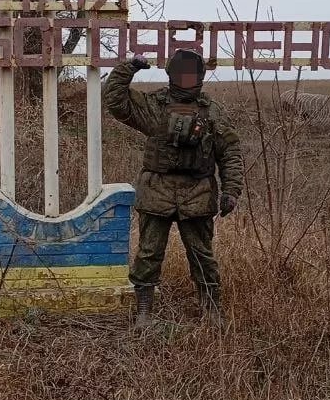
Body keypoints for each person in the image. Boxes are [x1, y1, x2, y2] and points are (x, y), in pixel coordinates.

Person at [102, 48, 244, 329]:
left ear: (201, 76)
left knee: (202, 255)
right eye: (182, 73)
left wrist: (231, 190)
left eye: (192, 74)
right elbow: (115, 101)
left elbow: (230, 152)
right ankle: (144, 312)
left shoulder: (212, 111)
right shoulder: (154, 105)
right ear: (171, 74)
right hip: (158, 192)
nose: (187, 79)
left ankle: (211, 311)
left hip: (198, 194)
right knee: (149, 254)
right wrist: (128, 68)